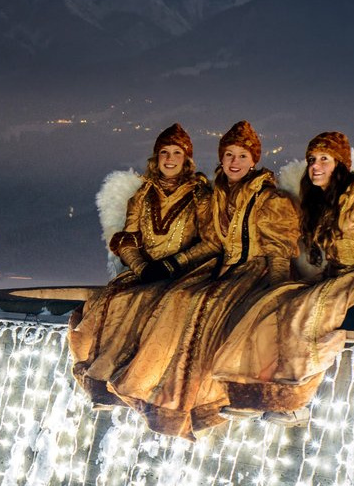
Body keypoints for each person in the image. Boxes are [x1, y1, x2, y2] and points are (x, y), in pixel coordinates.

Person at [108, 121, 301, 439]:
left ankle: (219, 397)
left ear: (253, 160)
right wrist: (142, 267)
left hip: (255, 271)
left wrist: (277, 288)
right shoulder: (217, 195)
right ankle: (158, 391)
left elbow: (275, 251)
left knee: (208, 306)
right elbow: (130, 237)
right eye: (229, 155)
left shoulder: (267, 199)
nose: (234, 162)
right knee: (183, 302)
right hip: (228, 272)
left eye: (241, 156)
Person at [213, 131, 354, 425]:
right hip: (336, 278)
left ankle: (295, 399)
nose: (315, 166)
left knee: (305, 317)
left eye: (324, 160)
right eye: (312, 160)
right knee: (274, 305)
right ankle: (254, 393)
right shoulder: (321, 204)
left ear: (339, 164)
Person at [69, 124, 212, 408]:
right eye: (164, 153)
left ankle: (139, 383)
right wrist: (141, 267)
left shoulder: (200, 196)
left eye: (176, 153)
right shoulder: (143, 195)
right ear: (156, 157)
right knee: (109, 303)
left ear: (187, 159)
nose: (169, 159)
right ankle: (102, 381)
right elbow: (127, 240)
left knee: (151, 304)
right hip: (144, 272)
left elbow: (211, 242)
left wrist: (174, 264)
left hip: (186, 273)